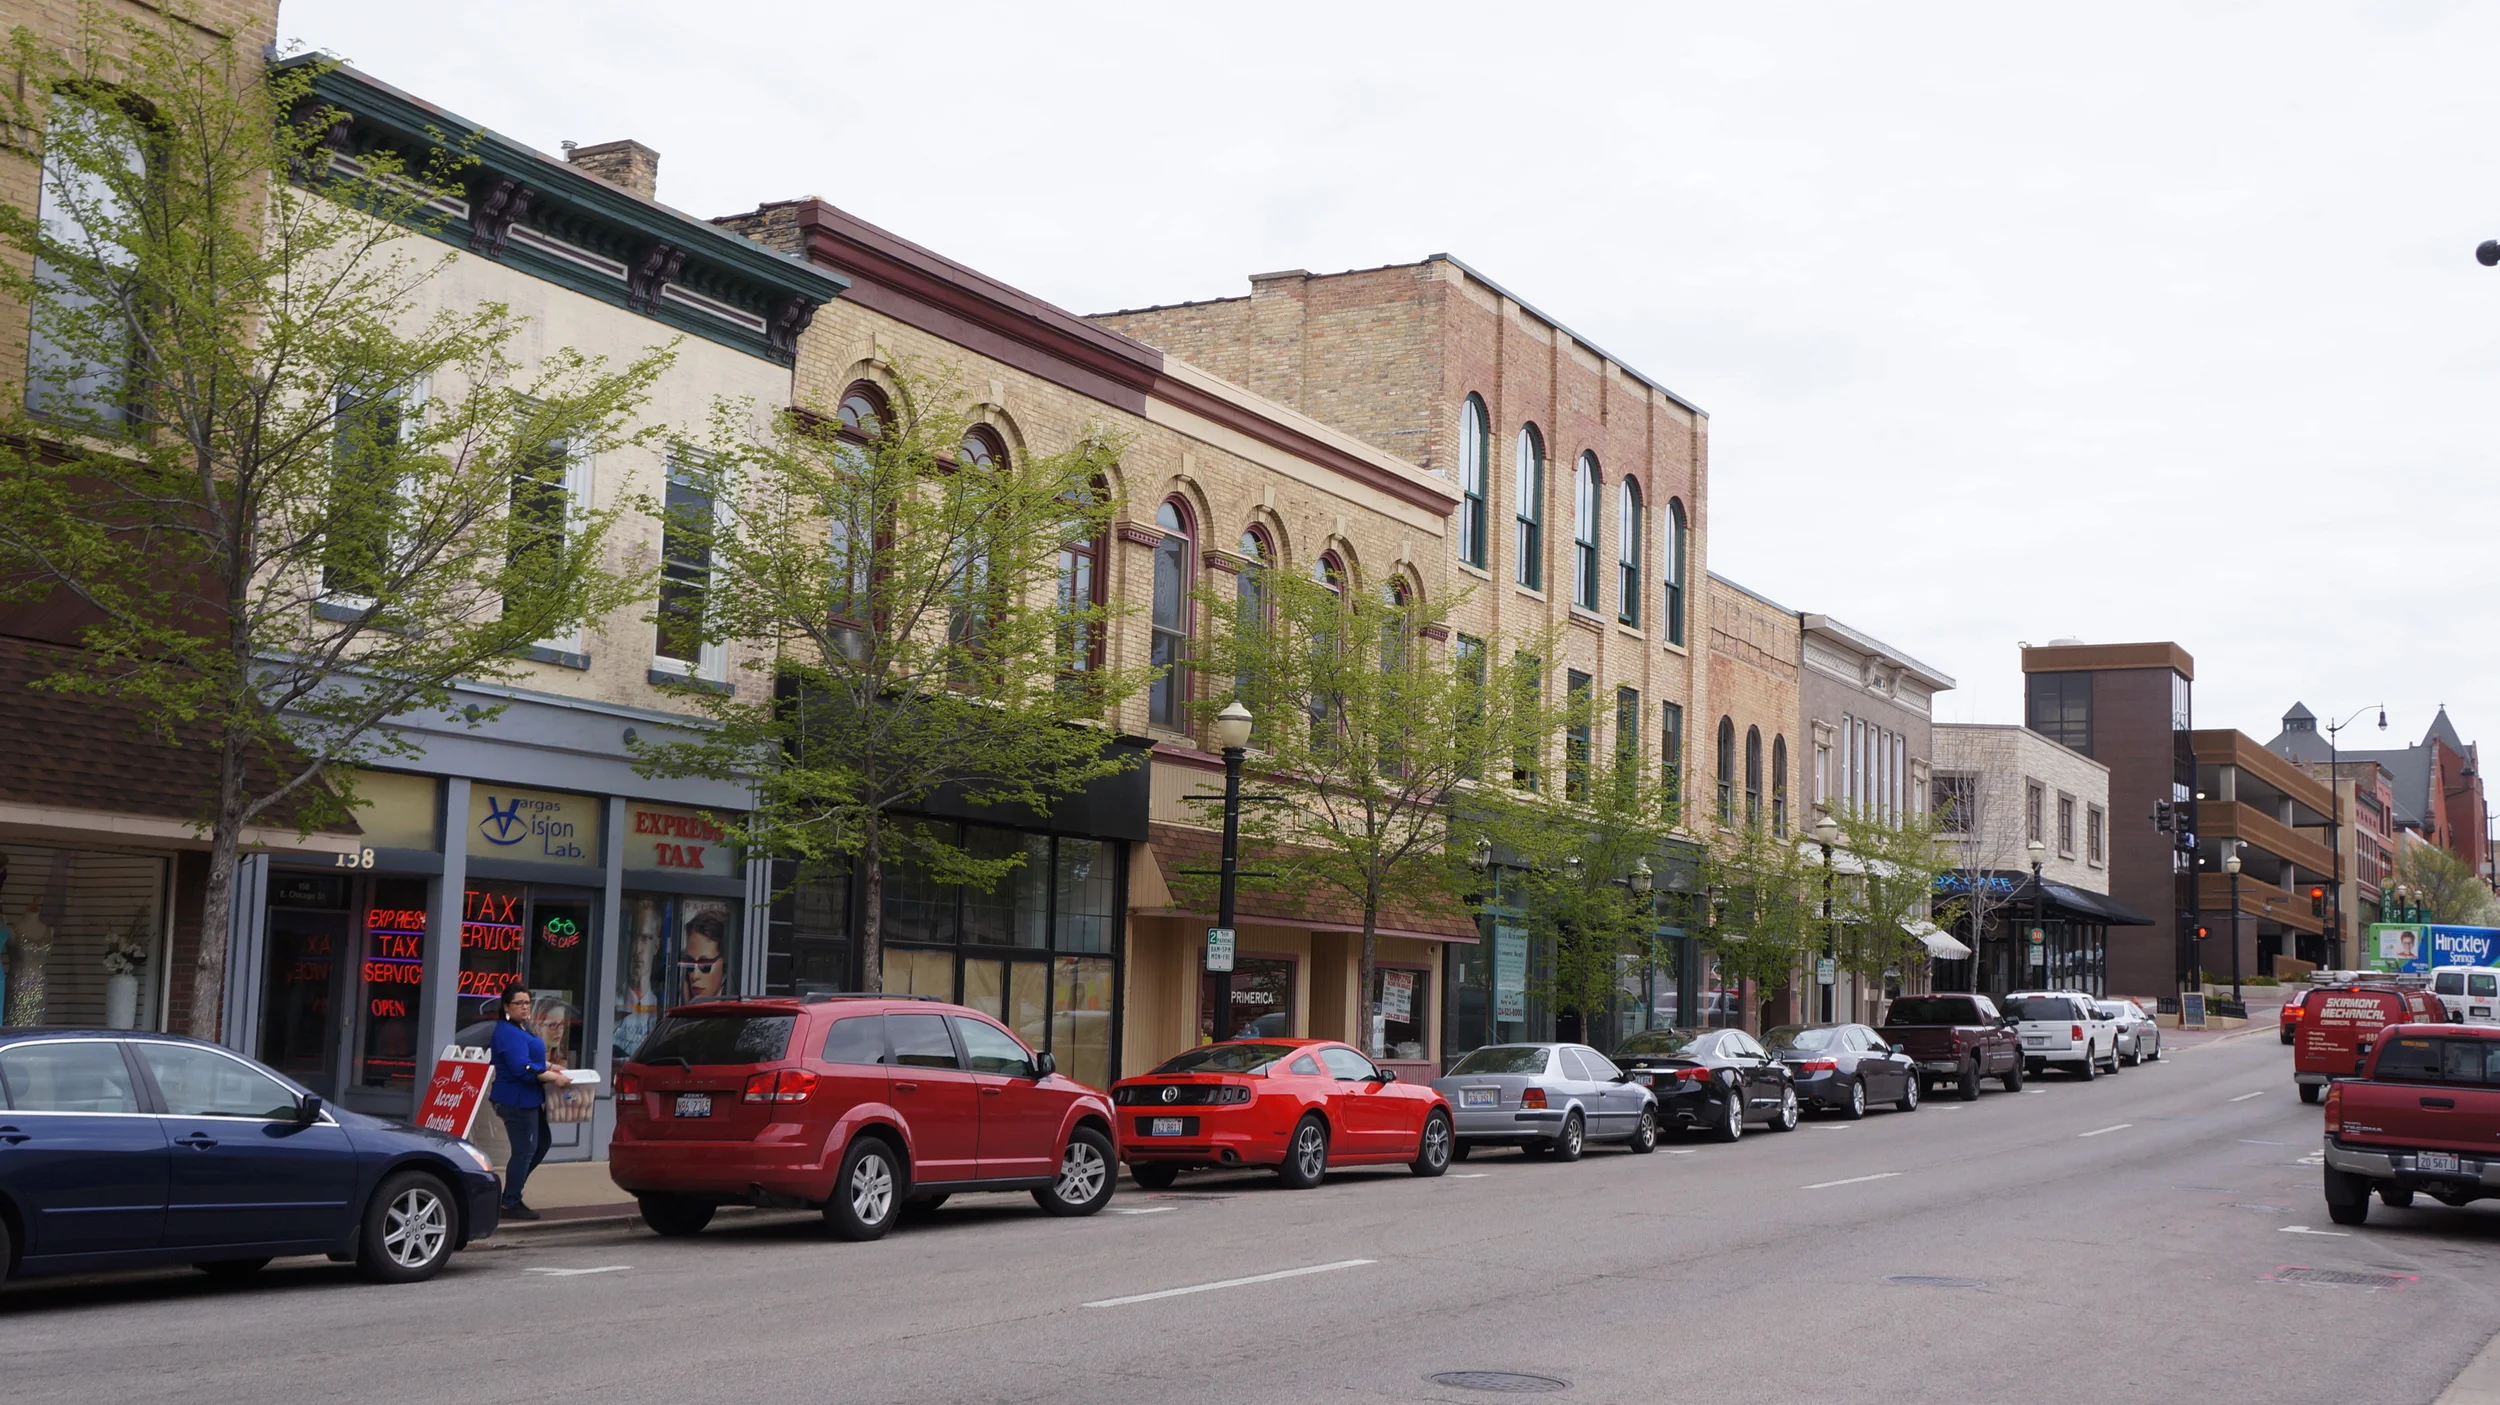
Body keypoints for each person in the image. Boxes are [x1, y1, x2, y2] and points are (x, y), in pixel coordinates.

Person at [488, 985, 567, 1220]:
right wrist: (551, 1076)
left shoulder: (522, 1027)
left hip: (530, 1099)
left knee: (541, 1143)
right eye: (519, 1003)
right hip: (516, 1100)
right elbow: (521, 1067)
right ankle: (510, 1202)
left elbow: (532, 1058)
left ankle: (512, 1192)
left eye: (527, 1003)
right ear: (506, 1007)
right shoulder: (506, 1032)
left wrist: (551, 1066)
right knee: (524, 1151)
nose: (524, 1007)